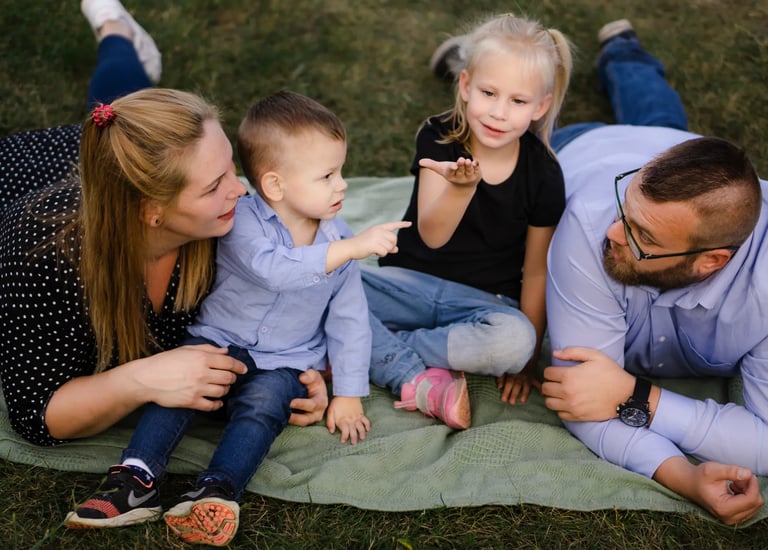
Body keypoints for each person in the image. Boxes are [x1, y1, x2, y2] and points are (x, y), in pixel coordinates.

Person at [65, 90, 407, 545]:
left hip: (284, 357)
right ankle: (135, 478)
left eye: (341, 171)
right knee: (175, 395)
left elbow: (349, 321)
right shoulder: (244, 222)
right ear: (277, 186)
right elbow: (274, 270)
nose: (342, 185)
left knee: (264, 409)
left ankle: (217, 491)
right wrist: (352, 249)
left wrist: (347, 392)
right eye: (327, 175)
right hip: (217, 338)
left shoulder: (339, 236)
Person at [0, 0, 328, 450]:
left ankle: (114, 25)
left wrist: (314, 373)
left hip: (116, 162)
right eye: (215, 185)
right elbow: (36, 413)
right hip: (22, 179)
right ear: (152, 212)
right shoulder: (46, 256)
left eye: (233, 168)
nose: (241, 191)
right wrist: (140, 379)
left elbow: (300, 292)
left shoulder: (225, 221)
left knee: (119, 107)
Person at [482, 19, 766, 525]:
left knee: (658, 117)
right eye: (625, 210)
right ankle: (609, 53)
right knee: (505, 128)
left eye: (643, 237)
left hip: (683, 178)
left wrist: (639, 397)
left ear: (710, 263)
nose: (613, 234)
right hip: (584, 149)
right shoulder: (594, 220)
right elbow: (581, 397)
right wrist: (681, 471)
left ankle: (622, 54)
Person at [363, 13, 573, 429]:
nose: (498, 112)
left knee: (515, 341)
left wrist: (526, 362)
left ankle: (377, 346)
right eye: (488, 93)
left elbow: (535, 273)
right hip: (408, 283)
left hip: (483, 304)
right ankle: (376, 342)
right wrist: (460, 189)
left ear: (540, 106)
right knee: (329, 285)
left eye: (517, 101)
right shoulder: (439, 136)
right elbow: (432, 235)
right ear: (465, 86)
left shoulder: (545, 173)